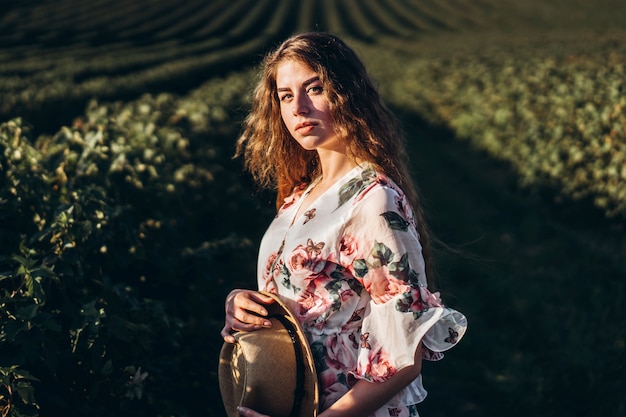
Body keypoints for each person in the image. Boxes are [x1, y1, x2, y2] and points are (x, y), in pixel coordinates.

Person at [221, 32, 467, 417]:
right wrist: (242, 304)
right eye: (286, 96)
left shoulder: (373, 200)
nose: (298, 108)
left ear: (347, 92)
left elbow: (404, 357)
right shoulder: (299, 196)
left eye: (313, 88)